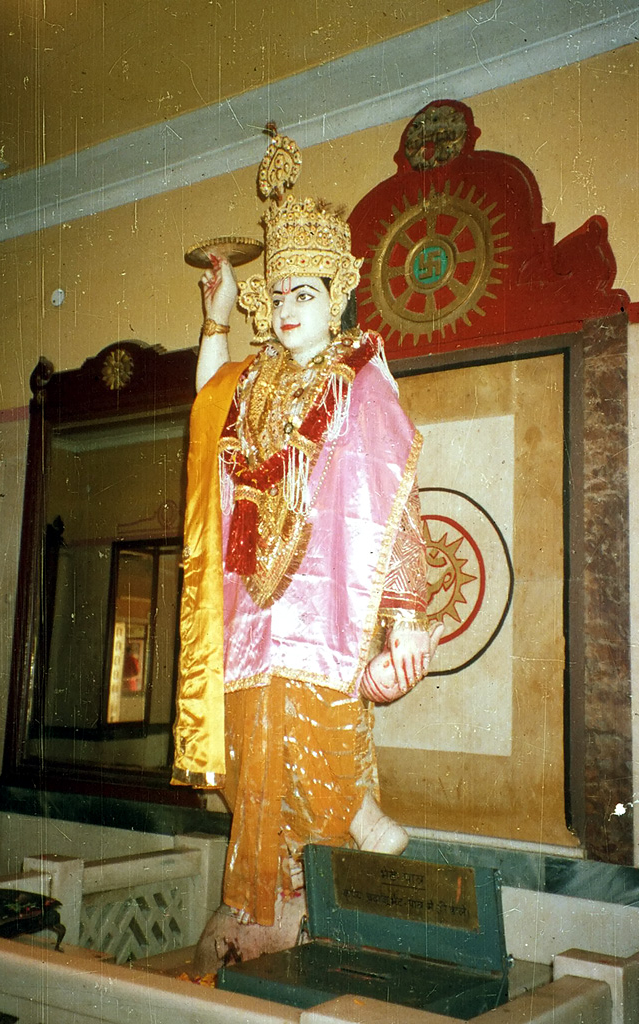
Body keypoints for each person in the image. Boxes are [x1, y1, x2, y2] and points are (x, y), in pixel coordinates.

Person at [172, 133, 443, 964]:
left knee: (317, 733)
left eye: (306, 291)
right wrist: (214, 319)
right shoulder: (252, 382)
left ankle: (339, 842)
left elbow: (390, 487)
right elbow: (207, 406)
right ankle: (257, 904)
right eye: (277, 293)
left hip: (323, 605)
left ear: (339, 295)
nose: (288, 307)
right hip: (252, 603)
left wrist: (406, 616)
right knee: (249, 751)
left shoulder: (358, 375)